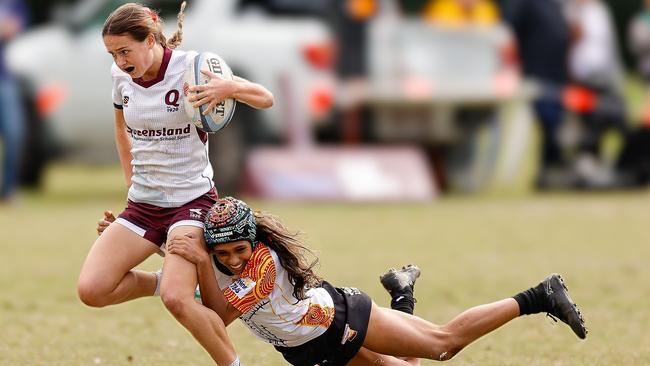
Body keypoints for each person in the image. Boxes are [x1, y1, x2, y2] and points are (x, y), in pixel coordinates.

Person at [77, 3, 274, 366]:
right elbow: (122, 130)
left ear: (149, 39)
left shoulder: (193, 68)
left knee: (178, 299)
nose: (120, 61)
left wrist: (230, 87)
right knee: (93, 290)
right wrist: (130, 187)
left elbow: (266, 98)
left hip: (191, 202)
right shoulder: (120, 77)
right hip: (143, 204)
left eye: (125, 51)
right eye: (112, 54)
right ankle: (162, 279)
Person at [165, 196, 587, 365]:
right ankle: (402, 291)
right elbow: (190, 285)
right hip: (308, 348)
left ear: (252, 241)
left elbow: (219, 314)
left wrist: (202, 260)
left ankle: (539, 295)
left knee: (443, 345)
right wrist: (153, 243)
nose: (234, 260)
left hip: (340, 321)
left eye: (239, 249)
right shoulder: (222, 264)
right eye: (224, 255)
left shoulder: (262, 263)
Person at [505, 0, 573, 190]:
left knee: (555, 125)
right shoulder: (522, 3)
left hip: (557, 76)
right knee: (547, 121)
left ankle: (551, 170)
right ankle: (545, 172)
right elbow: (508, 34)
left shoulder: (554, 4)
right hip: (535, 74)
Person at [0, 0, 28, 202]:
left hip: (5, 79)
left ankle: (8, 191)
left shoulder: (14, 2)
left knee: (14, 135)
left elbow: (17, 29)